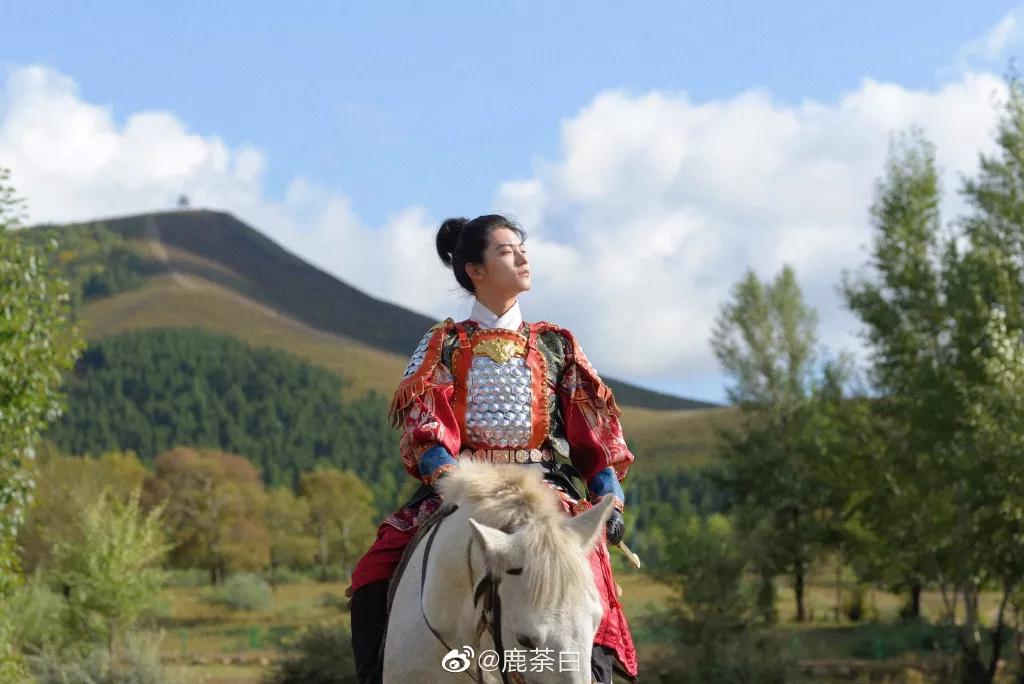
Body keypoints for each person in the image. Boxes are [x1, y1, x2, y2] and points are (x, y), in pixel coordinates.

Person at [348, 214, 637, 684]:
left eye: (521, 248)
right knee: (371, 574)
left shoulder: (556, 345)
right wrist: (453, 481)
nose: (522, 257)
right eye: (506, 250)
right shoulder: (443, 344)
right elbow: (428, 431)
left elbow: (594, 435)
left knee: (592, 579)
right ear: (474, 270)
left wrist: (609, 496)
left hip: (545, 490)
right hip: (467, 487)